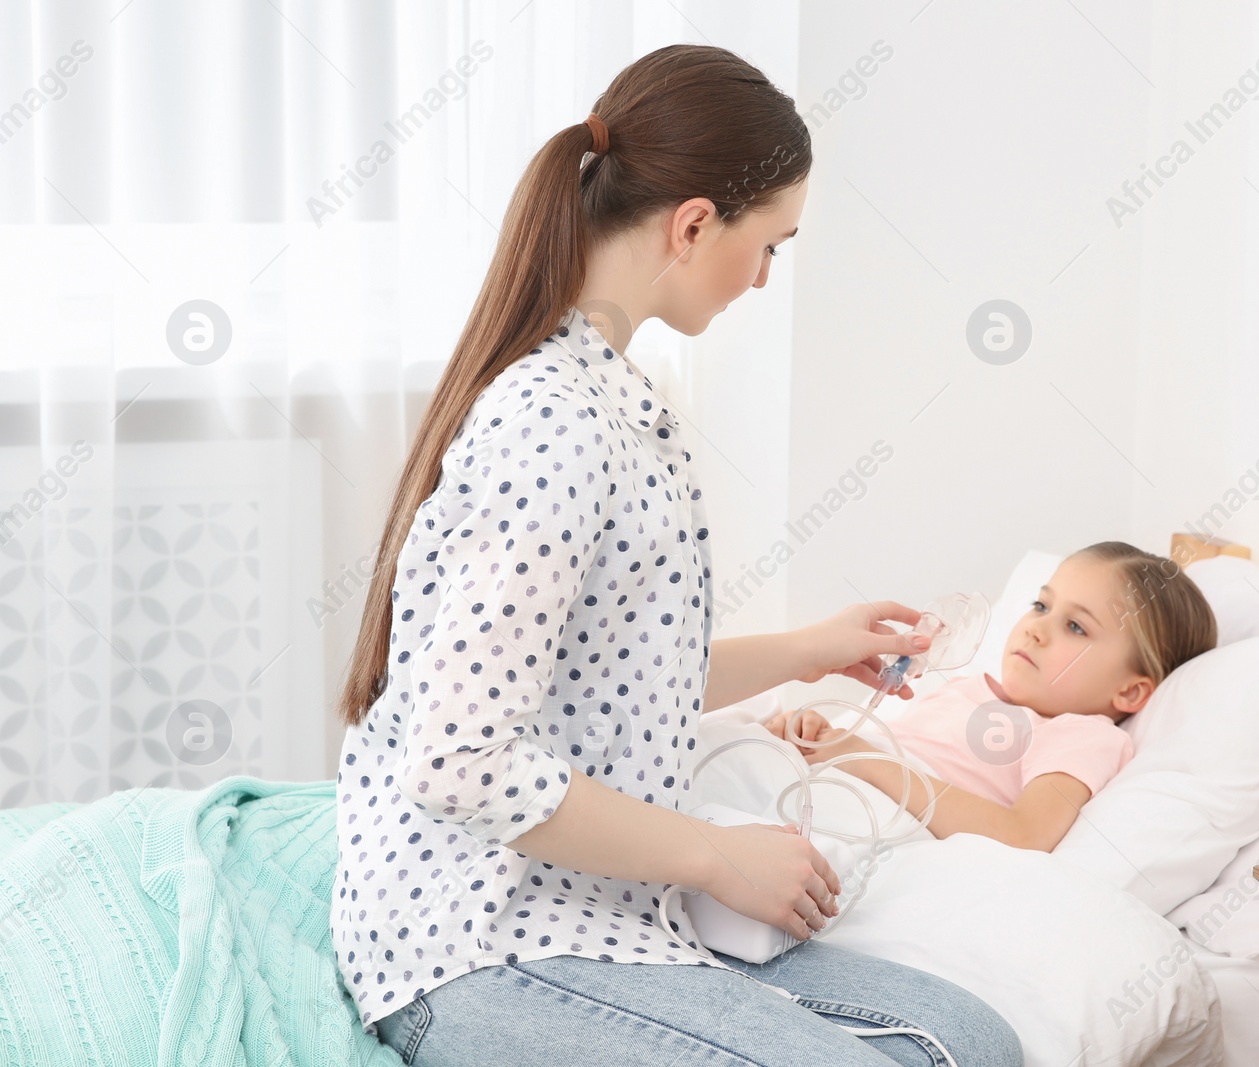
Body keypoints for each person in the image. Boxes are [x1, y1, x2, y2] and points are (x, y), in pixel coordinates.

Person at [330, 42, 1025, 1067]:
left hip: (604, 916)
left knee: (973, 1040)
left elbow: (602, 673)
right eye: (771, 245)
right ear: (694, 222)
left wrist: (805, 649)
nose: (763, 276)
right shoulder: (554, 422)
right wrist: (716, 855)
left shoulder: (615, 394)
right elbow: (459, 758)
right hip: (476, 938)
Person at [766, 542, 1218, 852]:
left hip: (865, 825)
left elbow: (1023, 836)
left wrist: (855, 754)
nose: (1036, 628)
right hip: (813, 789)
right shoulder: (969, 690)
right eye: (1042, 606)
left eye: (1076, 626)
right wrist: (808, 735)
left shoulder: (1079, 734)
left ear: (1130, 691)